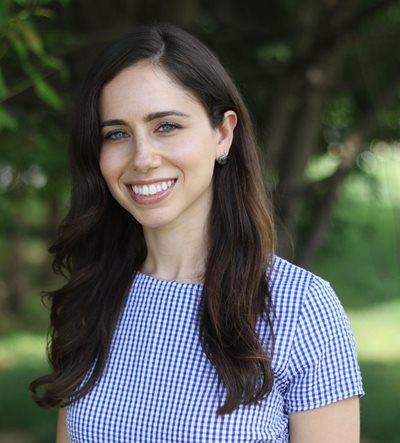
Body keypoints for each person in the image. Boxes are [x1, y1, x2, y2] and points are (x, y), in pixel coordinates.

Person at [30, 24, 364, 442]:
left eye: (166, 126)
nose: (143, 158)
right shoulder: (93, 295)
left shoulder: (301, 310)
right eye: (117, 134)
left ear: (223, 133)